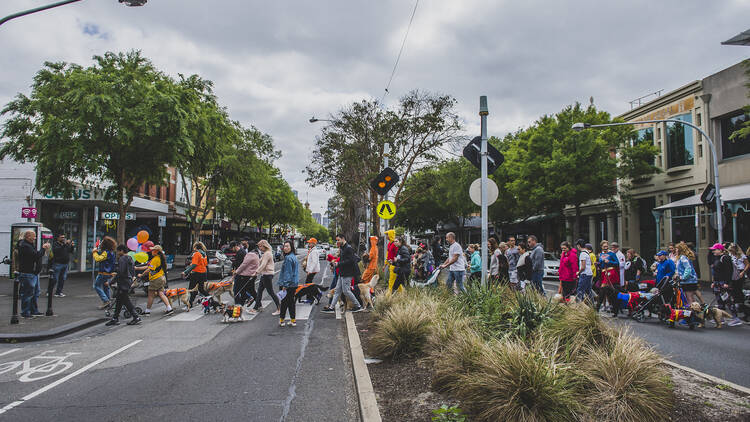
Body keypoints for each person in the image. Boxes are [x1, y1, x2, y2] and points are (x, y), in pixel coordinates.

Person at [322, 234, 363, 313]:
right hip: (342, 272)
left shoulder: (348, 248)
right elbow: (342, 259)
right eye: (336, 240)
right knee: (337, 290)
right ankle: (331, 307)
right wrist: (336, 263)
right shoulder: (342, 248)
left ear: (343, 239)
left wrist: (338, 264)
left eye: (338, 240)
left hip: (348, 273)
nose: (337, 241)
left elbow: (351, 261)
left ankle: (358, 306)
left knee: (346, 291)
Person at [16, 230, 50, 318]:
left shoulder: (29, 245)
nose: (35, 238)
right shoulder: (25, 246)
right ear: (28, 237)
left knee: (35, 292)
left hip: (33, 273)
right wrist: (43, 248)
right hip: (28, 273)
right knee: (28, 293)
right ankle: (25, 312)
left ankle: (34, 310)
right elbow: (36, 255)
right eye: (33, 236)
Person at [105, 244, 141, 326]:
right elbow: (132, 271)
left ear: (121, 251)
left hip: (123, 282)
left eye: (118, 251)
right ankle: (115, 318)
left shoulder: (122, 259)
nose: (117, 253)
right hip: (128, 282)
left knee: (126, 301)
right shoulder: (130, 258)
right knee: (119, 300)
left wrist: (111, 281)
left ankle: (136, 317)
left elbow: (120, 273)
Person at [137, 244, 173, 316]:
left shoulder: (155, 259)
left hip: (155, 279)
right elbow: (148, 266)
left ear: (156, 251)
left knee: (151, 295)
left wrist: (141, 275)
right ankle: (169, 308)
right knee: (161, 293)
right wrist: (137, 268)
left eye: (153, 250)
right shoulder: (160, 258)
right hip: (161, 278)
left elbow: (148, 270)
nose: (151, 251)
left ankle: (147, 311)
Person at [254, 240, 280, 315]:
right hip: (264, 274)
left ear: (264, 245)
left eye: (260, 246)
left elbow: (263, 264)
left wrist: (256, 272)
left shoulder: (267, 254)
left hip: (267, 274)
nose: (259, 248)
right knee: (259, 291)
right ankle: (256, 308)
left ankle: (279, 308)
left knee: (270, 292)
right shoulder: (265, 253)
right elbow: (260, 262)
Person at [277, 240, 299, 327]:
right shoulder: (293, 257)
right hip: (293, 284)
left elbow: (288, 273)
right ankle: (293, 321)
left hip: (287, 284)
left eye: (287, 246)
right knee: (291, 303)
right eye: (284, 246)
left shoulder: (288, 258)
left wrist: (285, 285)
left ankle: (282, 320)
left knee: (284, 303)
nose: (285, 248)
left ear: (291, 247)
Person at [674, 242, 703, 306]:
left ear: (680, 249)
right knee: (690, 298)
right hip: (687, 281)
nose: (675, 250)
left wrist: (683, 277)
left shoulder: (683, 257)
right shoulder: (681, 257)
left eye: (676, 249)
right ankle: (696, 310)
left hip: (688, 281)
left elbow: (688, 268)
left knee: (689, 298)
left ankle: (693, 312)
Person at [92, 236, 117, 309]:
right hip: (109, 273)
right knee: (106, 286)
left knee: (96, 286)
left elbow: (98, 259)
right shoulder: (111, 252)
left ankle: (106, 300)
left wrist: (94, 252)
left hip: (103, 273)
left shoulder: (106, 252)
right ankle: (108, 302)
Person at [234, 240, 259, 310]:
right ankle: (242, 305)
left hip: (247, 275)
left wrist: (237, 271)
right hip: (251, 274)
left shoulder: (250, 254)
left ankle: (241, 306)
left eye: (247, 245)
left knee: (244, 290)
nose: (246, 246)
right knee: (248, 290)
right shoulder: (255, 253)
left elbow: (244, 265)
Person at [183, 242, 208, 308]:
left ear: (195, 247)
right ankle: (210, 299)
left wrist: (186, 272)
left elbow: (194, 264)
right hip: (203, 273)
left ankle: (190, 303)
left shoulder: (196, 254)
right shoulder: (204, 254)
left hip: (196, 273)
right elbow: (205, 264)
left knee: (191, 288)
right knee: (201, 289)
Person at [50, 233, 74, 297]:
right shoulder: (55, 244)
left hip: (65, 264)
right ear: (58, 238)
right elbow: (57, 251)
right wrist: (65, 244)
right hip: (58, 263)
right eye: (61, 237)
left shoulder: (65, 244)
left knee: (63, 278)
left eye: (64, 237)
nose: (63, 238)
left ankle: (58, 292)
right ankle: (49, 291)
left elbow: (70, 251)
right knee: (55, 279)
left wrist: (72, 246)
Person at [385, 230, 402, 294]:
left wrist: (396, 261)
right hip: (391, 264)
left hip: (394, 265)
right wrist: (386, 263)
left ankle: (388, 295)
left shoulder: (394, 244)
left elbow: (398, 254)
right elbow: (388, 254)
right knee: (395, 280)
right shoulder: (389, 244)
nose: (386, 236)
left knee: (391, 280)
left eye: (387, 235)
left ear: (390, 235)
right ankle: (402, 292)